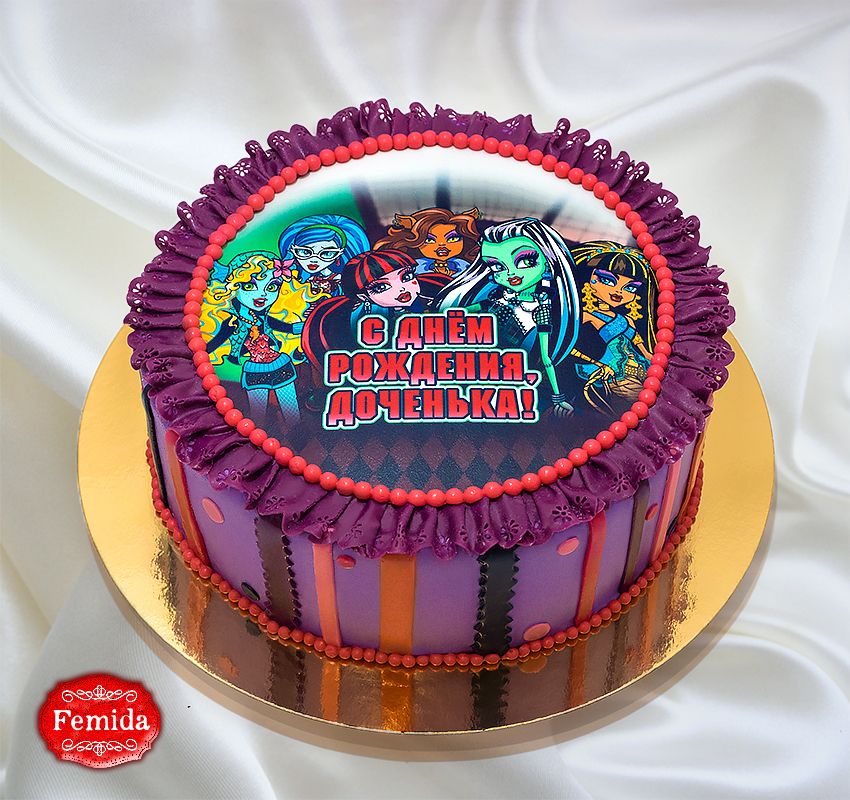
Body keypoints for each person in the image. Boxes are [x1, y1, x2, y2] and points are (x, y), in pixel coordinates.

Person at [437, 217, 580, 415]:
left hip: (508, 383)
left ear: (549, 261)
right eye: (498, 266)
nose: (510, 273)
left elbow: (546, 358)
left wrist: (558, 398)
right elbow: (463, 312)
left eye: (526, 261)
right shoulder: (499, 297)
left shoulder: (543, 311)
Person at [200, 250, 309, 426]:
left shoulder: (264, 318)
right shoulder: (233, 321)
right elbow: (212, 345)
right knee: (257, 418)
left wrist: (311, 323)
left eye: (271, 287)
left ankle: (297, 436)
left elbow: (286, 328)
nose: (262, 294)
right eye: (250, 286)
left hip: (280, 365)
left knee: (292, 413)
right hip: (255, 372)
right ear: (234, 286)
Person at [302, 249, 450, 370]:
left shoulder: (434, 298)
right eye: (381, 287)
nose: (401, 288)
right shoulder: (359, 321)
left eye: (406, 277)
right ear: (363, 296)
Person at [570, 241, 657, 413]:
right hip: (607, 369)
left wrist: (650, 357)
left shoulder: (626, 318)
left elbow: (637, 341)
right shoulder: (586, 316)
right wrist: (598, 364)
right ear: (591, 279)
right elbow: (570, 345)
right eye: (608, 281)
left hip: (636, 364)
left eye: (630, 288)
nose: (619, 292)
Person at [277, 214, 370, 297]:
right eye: (305, 252)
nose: (314, 259)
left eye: (327, 253)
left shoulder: (343, 280)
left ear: (339, 254)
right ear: (293, 250)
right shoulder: (301, 279)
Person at [374, 207, 480, 275]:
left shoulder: (464, 266)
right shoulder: (415, 268)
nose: (442, 244)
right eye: (430, 240)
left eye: (452, 238)